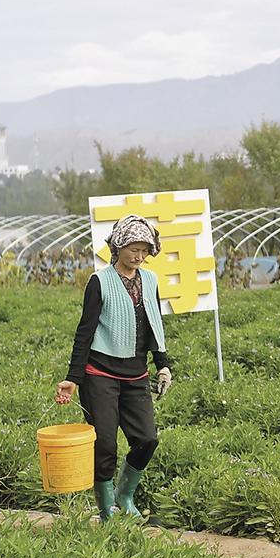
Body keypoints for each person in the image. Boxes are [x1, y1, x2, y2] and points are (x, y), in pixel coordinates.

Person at [55, 214, 173, 522]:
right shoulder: (100, 282)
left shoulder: (150, 280)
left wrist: (163, 365)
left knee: (147, 439)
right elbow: (85, 332)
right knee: (105, 443)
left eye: (144, 251)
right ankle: (106, 507)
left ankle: (125, 495)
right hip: (100, 375)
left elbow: (154, 323)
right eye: (134, 249)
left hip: (136, 375)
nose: (139, 256)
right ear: (118, 246)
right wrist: (73, 378)